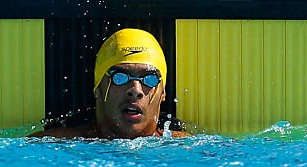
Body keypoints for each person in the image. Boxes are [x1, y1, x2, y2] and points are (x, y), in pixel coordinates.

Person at [31, 28, 189, 139]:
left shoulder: (188, 147)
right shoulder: (51, 145)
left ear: (163, 94)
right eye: (120, 77)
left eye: (150, 79)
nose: (135, 90)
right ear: (97, 88)